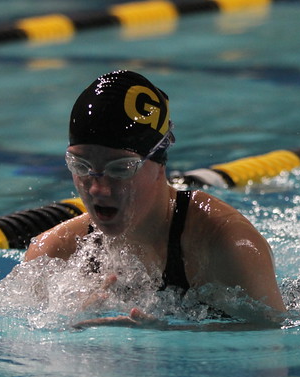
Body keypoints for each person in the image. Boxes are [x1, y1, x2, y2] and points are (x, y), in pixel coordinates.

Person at [24, 70, 286, 327]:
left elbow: (272, 347)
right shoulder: (54, 254)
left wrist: (171, 337)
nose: (97, 189)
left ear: (159, 162)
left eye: (120, 169)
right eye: (80, 166)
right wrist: (67, 325)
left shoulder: (226, 247)